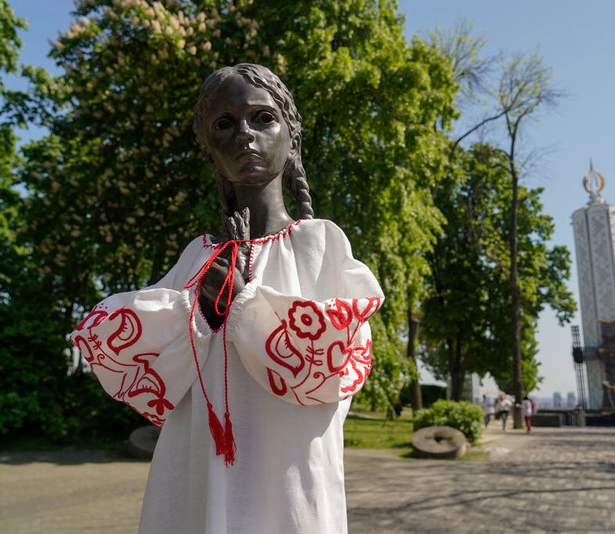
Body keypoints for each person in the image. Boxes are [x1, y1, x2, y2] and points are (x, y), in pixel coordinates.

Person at [70, 63, 384, 534]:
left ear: (291, 136)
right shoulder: (197, 258)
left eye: (262, 118)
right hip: (196, 477)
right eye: (224, 124)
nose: (245, 134)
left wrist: (246, 306)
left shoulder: (321, 246)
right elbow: (118, 348)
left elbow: (340, 363)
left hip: (291, 482)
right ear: (211, 153)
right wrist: (192, 311)